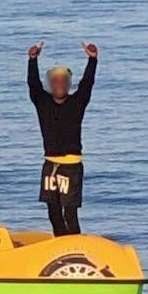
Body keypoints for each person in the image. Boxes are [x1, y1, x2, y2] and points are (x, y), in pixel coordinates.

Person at [27, 41, 98, 236]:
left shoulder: (77, 102)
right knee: (53, 213)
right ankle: (61, 243)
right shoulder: (42, 102)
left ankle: (75, 244)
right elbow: (33, 85)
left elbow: (87, 83)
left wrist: (92, 60)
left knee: (70, 213)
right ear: (50, 84)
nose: (60, 84)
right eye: (56, 81)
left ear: (69, 84)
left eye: (64, 80)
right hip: (50, 164)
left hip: (72, 165)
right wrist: (32, 60)